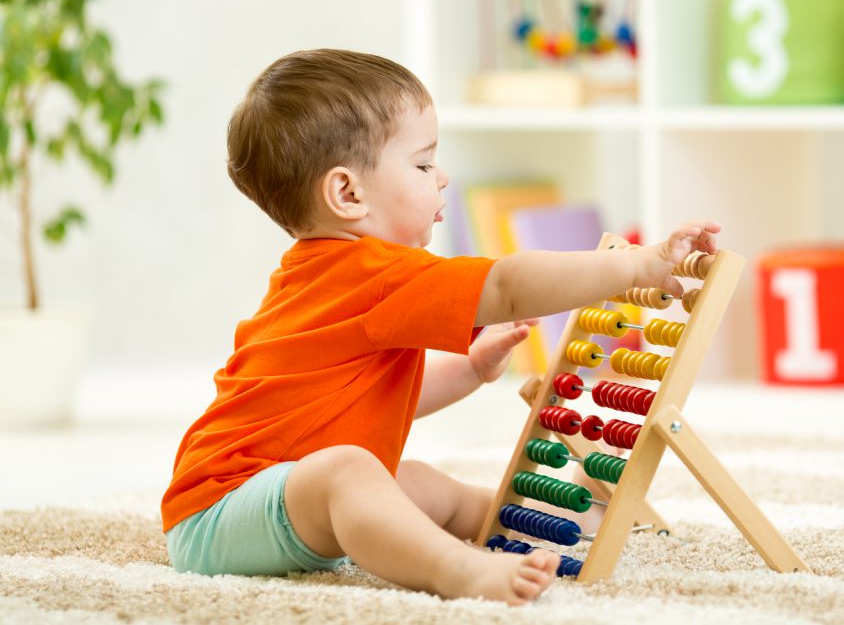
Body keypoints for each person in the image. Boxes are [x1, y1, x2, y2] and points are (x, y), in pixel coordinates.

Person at [160, 49, 720, 606]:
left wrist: (469, 371)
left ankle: (539, 519)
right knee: (352, 471)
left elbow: (365, 400)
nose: (443, 176)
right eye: (424, 164)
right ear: (347, 194)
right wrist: (638, 266)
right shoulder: (372, 275)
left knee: (416, 483)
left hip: (275, 499)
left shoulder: (327, 275)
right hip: (221, 509)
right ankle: (459, 572)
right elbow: (507, 285)